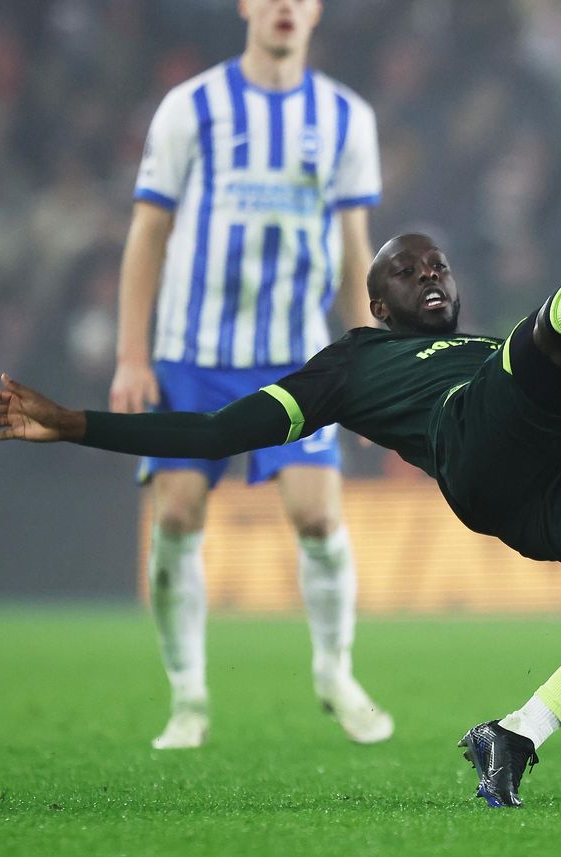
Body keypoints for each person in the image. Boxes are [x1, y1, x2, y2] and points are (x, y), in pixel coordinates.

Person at [0, 232, 561, 808]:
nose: (429, 273)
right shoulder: (354, 361)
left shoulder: (496, 351)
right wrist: (75, 424)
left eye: (437, 264)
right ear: (378, 306)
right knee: (532, 359)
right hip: (479, 456)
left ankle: (515, 734)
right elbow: (215, 432)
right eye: (407, 271)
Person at [111, 0, 388, 748]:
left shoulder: (346, 118)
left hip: (293, 356)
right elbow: (148, 232)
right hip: (190, 354)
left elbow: (354, 249)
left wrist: (370, 368)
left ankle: (335, 672)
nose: (284, 7)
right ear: (245, 6)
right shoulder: (190, 107)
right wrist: (132, 355)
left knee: (319, 518)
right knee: (176, 517)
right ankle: (188, 698)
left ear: (317, 10)